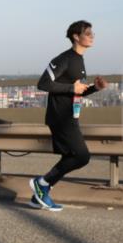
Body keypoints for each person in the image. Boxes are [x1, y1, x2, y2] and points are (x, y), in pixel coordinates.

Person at [29, 20, 107, 211]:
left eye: (92, 33)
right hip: (60, 116)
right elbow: (43, 83)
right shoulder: (64, 58)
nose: (92, 36)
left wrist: (94, 88)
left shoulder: (79, 60)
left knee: (72, 156)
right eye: (88, 33)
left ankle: (40, 193)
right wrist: (71, 87)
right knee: (82, 156)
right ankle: (42, 183)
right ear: (76, 36)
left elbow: (77, 91)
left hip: (70, 116)